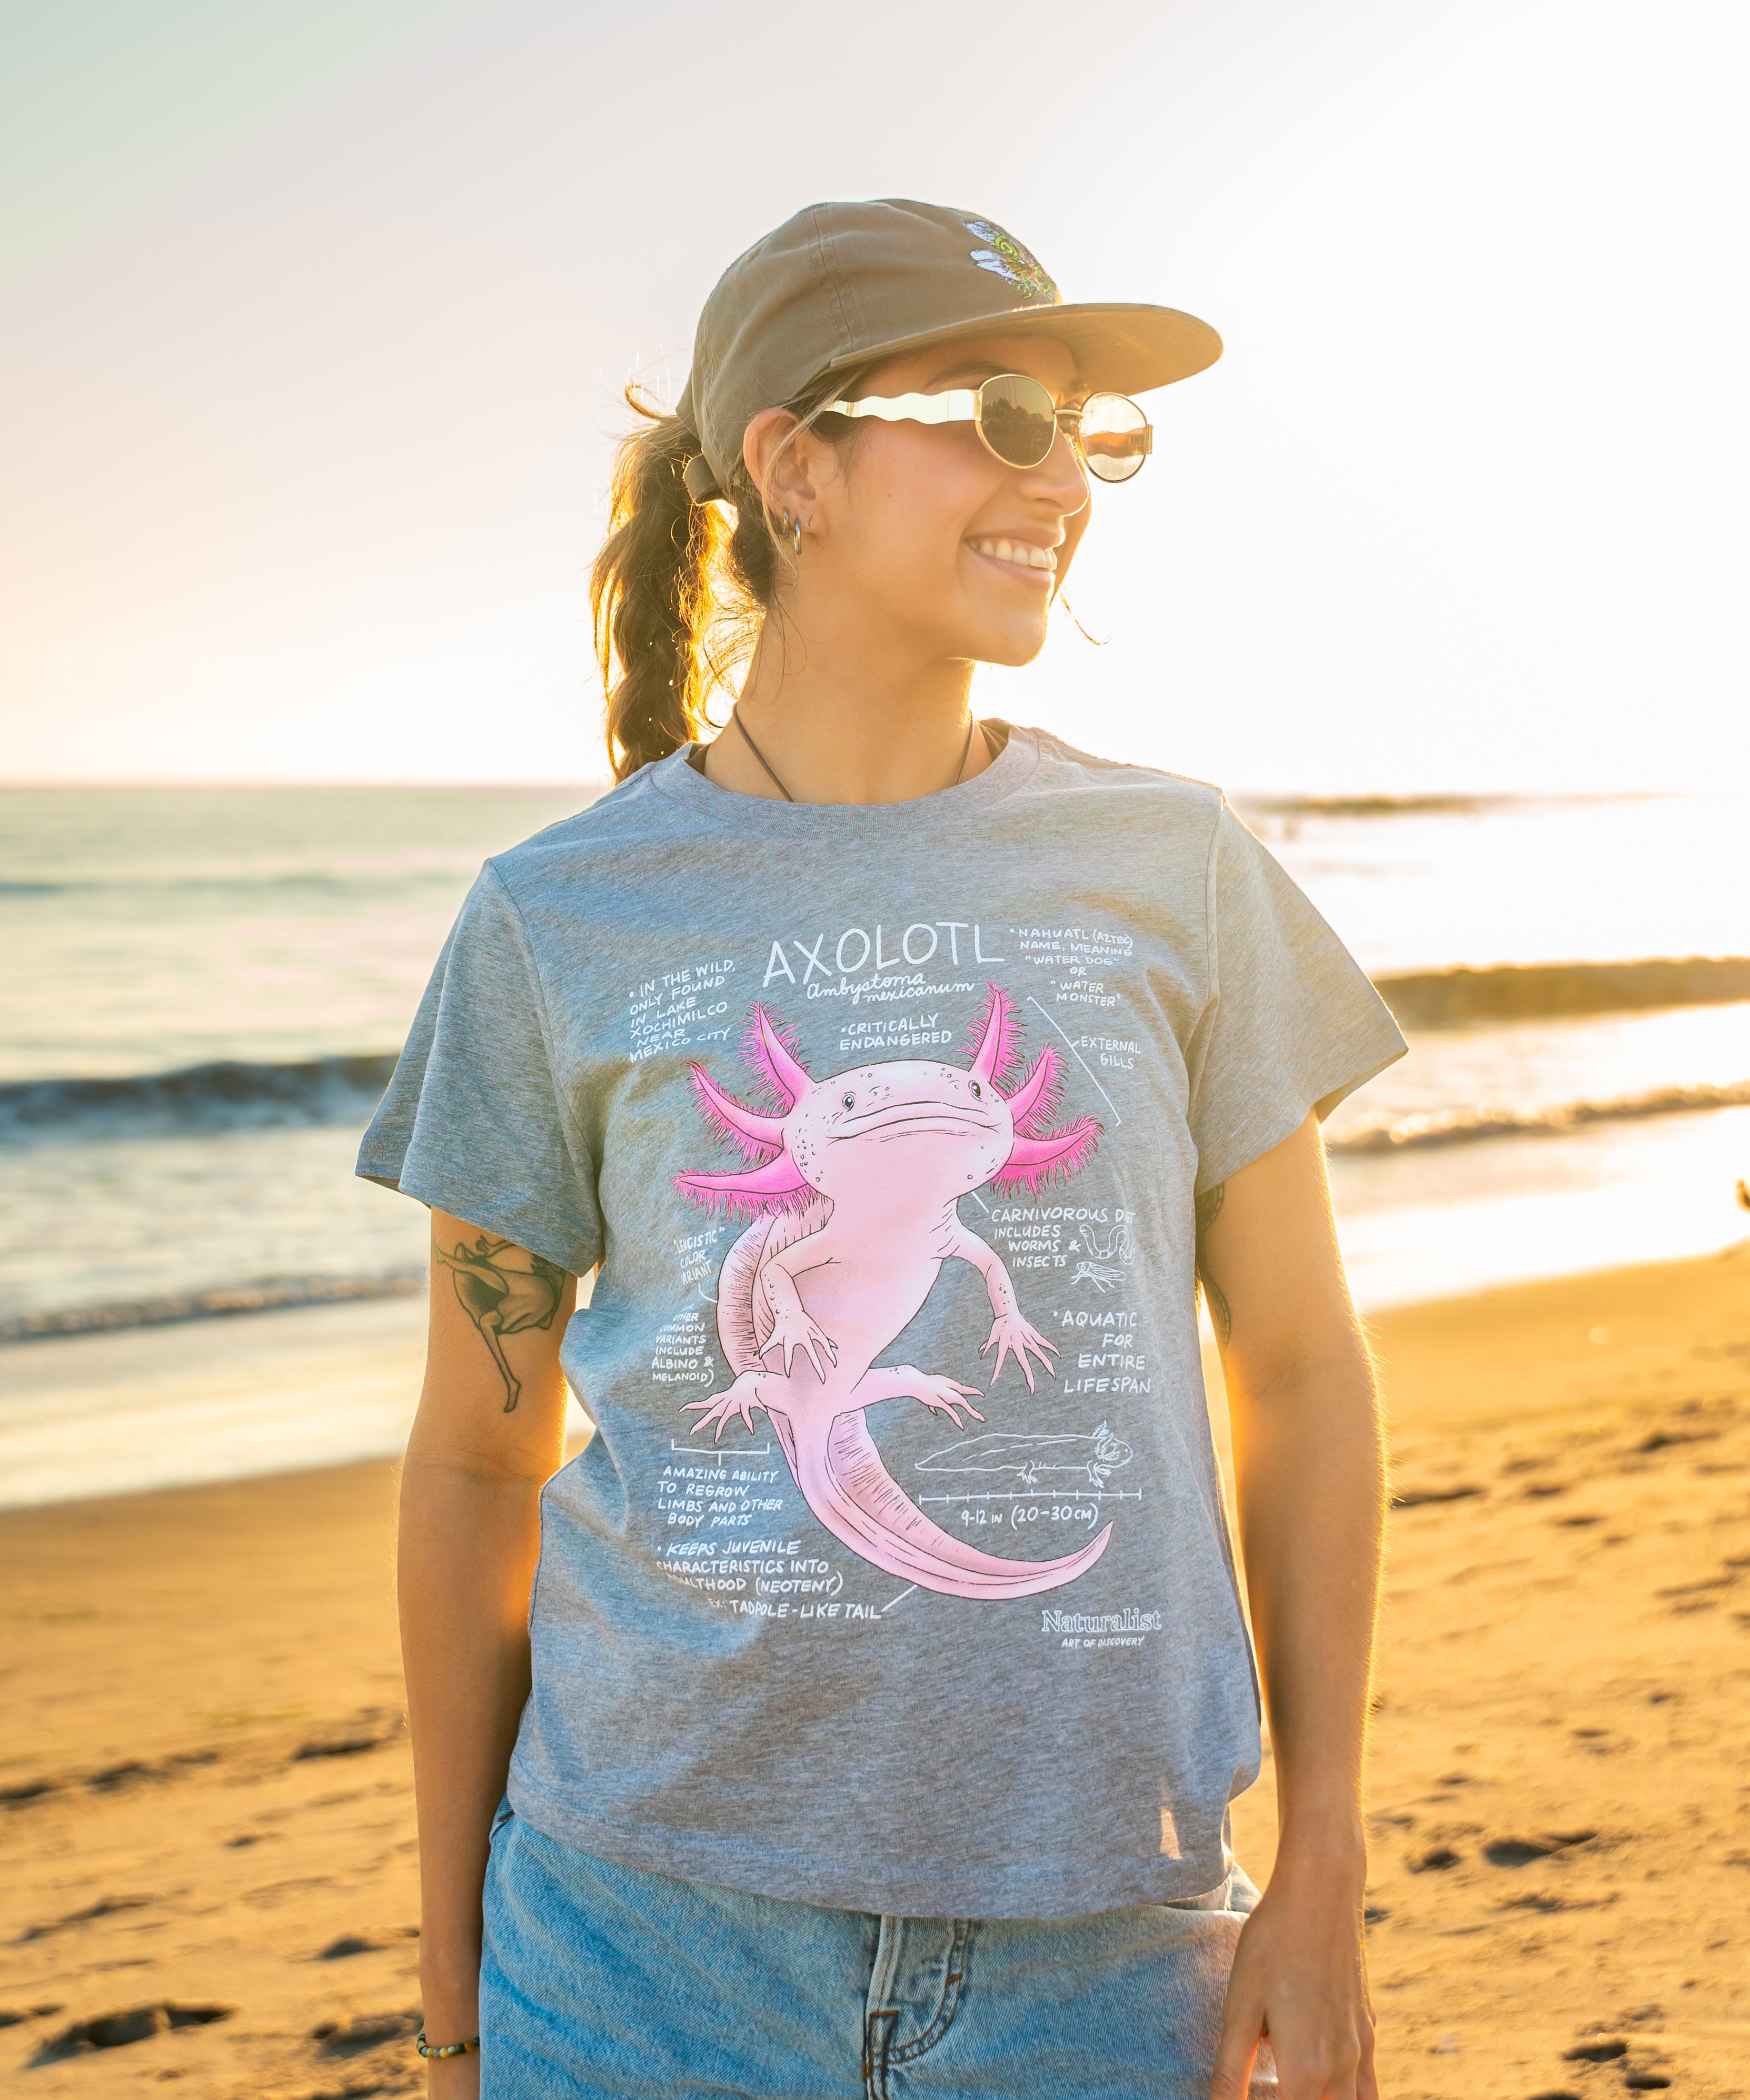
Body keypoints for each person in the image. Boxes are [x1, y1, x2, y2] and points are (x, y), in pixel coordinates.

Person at [360, 198, 1405, 2100]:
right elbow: (468, 1459)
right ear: (794, 466)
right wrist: (457, 2002)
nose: (1065, 481)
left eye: (1091, 436)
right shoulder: (556, 917)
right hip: (641, 1944)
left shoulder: (1174, 866)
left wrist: (1324, 1851)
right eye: (1008, 413)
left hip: (1107, 1953)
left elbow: (1306, 1366)